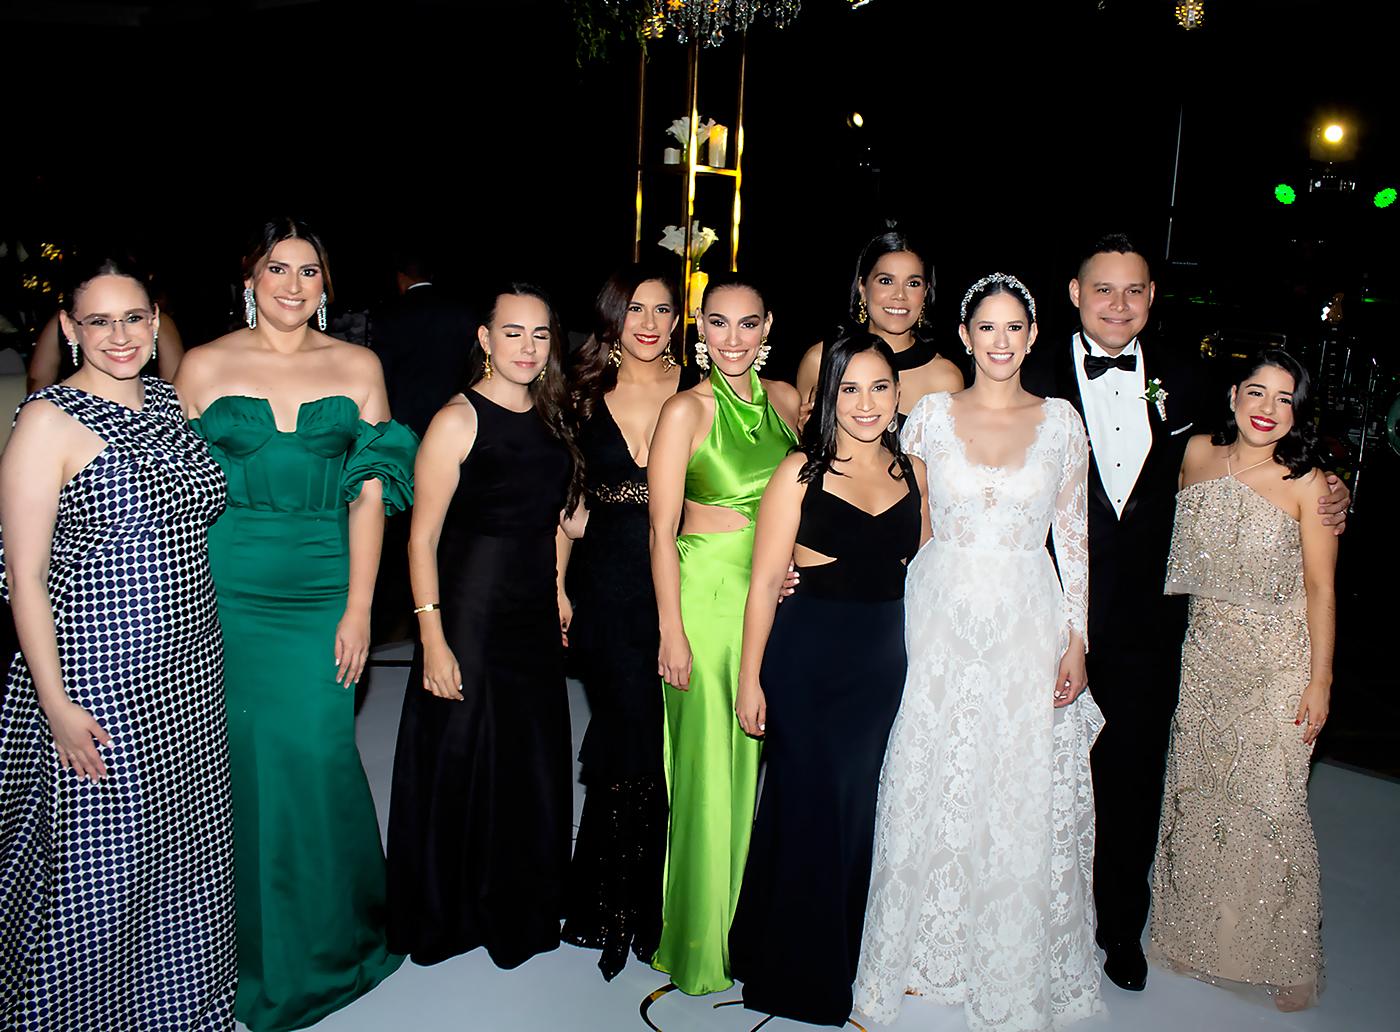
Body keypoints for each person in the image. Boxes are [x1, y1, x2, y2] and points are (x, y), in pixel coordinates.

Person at [1019, 234, 1348, 991]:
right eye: (1104, 289)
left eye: (1135, 290)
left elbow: (1260, 455)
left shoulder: (1190, 378)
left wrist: (1333, 490)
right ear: (1074, 293)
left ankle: (1119, 929)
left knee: (1134, 779)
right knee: (1034, 771)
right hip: (1043, 610)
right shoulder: (1027, 371)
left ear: (1152, 297)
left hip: (1152, 624)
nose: (1119, 304)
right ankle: (1029, 917)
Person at [177, 219, 413, 1031]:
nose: (292, 284)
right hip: (224, 591)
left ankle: (333, 941)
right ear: (251, 278)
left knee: (318, 759)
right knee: (245, 770)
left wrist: (360, 608)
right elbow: (174, 491)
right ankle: (243, 953)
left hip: (324, 588)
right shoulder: (202, 365)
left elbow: (372, 494)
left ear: (326, 287)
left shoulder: (358, 366)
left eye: (309, 271)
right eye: (278, 268)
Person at [855, 274, 1103, 1031]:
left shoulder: (1061, 423)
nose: (1000, 341)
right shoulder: (929, 415)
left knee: (1009, 776)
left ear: (1033, 337)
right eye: (986, 327)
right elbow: (906, 515)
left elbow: (1074, 540)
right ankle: (918, 952)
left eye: (1013, 328)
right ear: (965, 336)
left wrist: (1077, 640)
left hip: (1028, 615)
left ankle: (1002, 957)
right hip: (939, 613)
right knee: (933, 766)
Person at [0, 258, 235, 1030]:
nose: (119, 335)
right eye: (98, 321)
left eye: (133, 317)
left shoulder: (168, 402)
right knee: (105, 861)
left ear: (156, 320)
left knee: (184, 851)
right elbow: (25, 578)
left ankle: (175, 1009)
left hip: (190, 671)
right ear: (69, 328)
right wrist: (56, 705)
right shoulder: (47, 419)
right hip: (102, 675)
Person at [729, 330, 930, 1027]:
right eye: (850, 388)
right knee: (809, 809)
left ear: (898, 395)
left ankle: (802, 950)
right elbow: (763, 584)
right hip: (807, 662)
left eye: (880, 387)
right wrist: (749, 679)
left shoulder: (916, 473)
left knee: (852, 813)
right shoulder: (799, 472)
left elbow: (926, 572)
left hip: (881, 668)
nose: (866, 403)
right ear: (828, 398)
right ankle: (798, 978)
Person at [386, 283, 581, 970]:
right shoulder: (456, 419)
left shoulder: (554, 416)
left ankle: (516, 905)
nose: (527, 347)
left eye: (540, 334)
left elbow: (554, 518)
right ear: (485, 339)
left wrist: (559, 587)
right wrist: (431, 639)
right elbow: (421, 539)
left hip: (531, 613)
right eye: (513, 332)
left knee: (527, 760)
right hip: (469, 612)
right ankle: (450, 911)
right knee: (462, 756)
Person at [1150, 349, 1335, 1011]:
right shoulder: (1195, 453)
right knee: (1199, 802)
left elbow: (1321, 588)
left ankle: (1286, 955)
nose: (1267, 409)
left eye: (1285, 399)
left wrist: (1321, 681)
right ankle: (1192, 937)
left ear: (1297, 414)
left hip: (1279, 665)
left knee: (1273, 806)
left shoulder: (1310, 484)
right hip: (1204, 658)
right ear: (1233, 395)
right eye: (1258, 392)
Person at [647, 272, 800, 995]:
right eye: (717, 322)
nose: (732, 337)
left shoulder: (787, 403)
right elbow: (659, 530)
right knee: (710, 776)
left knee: (760, 770)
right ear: (699, 329)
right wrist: (670, 631)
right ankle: (699, 946)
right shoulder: (686, 410)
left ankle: (748, 927)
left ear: (767, 329)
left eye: (747, 322)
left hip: (773, 606)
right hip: (706, 603)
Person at [558, 265, 683, 980]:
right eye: (636, 309)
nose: (649, 323)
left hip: (681, 581)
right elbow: (569, 505)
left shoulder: (699, 390)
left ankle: (653, 903)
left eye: (663, 310)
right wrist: (556, 585)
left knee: (663, 742)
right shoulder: (581, 394)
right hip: (606, 583)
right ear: (613, 315)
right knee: (622, 733)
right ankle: (611, 905)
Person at [367, 247, 477, 646]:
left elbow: (381, 378)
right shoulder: (462, 314)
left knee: (402, 534)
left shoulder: (390, 316)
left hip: (405, 437)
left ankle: (401, 619)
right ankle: (446, 613)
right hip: (459, 433)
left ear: (401, 278)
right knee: (448, 529)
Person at [795, 228, 963, 427]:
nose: (899, 295)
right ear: (862, 287)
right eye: (886, 281)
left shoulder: (946, 378)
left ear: (926, 292)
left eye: (913, 283)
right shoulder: (821, 360)